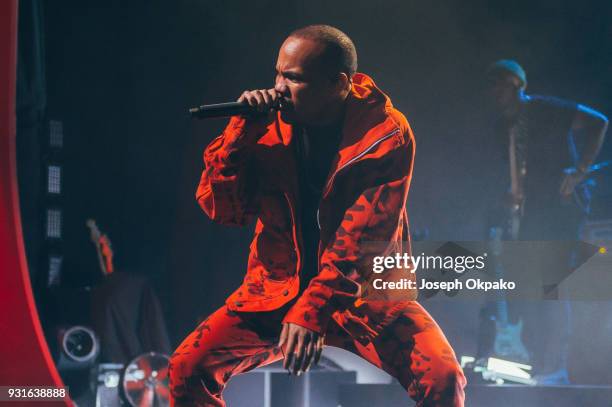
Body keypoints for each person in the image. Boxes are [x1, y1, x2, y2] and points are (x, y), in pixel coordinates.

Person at [169, 25, 466, 406]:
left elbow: (360, 241)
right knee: (186, 369)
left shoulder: (384, 134)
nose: (278, 87)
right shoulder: (264, 127)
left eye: (293, 78)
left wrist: (312, 310)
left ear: (338, 83)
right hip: (277, 293)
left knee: (443, 379)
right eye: (277, 73)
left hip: (363, 296)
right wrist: (240, 133)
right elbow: (222, 210)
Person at [479, 59, 608, 383]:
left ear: (515, 85)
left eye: (498, 83)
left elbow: (599, 122)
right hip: (531, 212)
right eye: (489, 85)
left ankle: (557, 367)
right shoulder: (501, 126)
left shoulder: (543, 109)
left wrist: (579, 171)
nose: (492, 91)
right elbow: (515, 168)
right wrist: (512, 195)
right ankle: (538, 364)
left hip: (559, 207)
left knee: (552, 284)